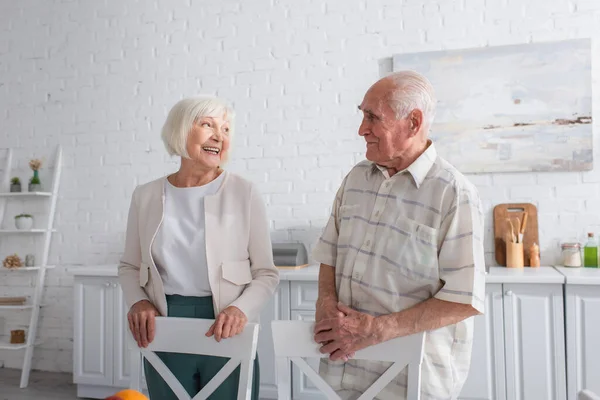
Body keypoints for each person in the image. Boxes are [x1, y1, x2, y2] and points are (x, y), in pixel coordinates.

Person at [311, 71, 485, 400]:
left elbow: (464, 300)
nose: (361, 129)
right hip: (343, 372)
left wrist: (377, 330)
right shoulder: (356, 179)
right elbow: (328, 254)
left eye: (372, 117)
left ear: (413, 122)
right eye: (362, 115)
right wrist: (326, 302)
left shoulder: (454, 193)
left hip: (413, 382)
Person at [118, 96, 279, 399]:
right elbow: (129, 266)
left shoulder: (244, 192)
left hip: (225, 323)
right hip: (164, 322)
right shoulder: (146, 195)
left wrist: (240, 309)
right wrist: (138, 301)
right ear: (181, 130)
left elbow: (266, 273)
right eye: (208, 125)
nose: (220, 136)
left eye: (227, 129)